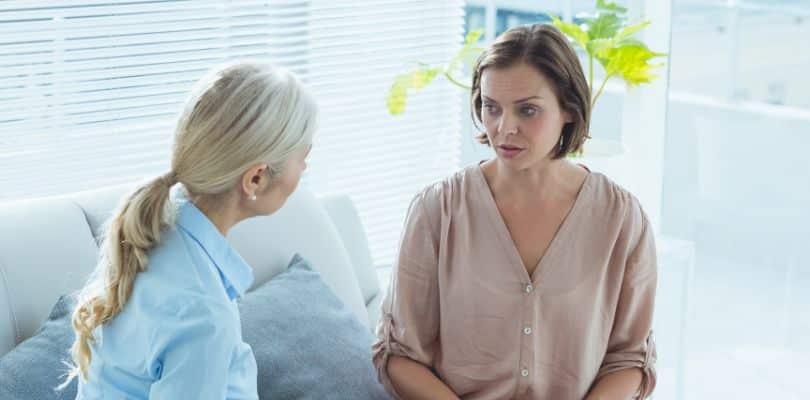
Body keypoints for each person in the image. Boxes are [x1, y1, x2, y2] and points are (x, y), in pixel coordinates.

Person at [372, 24, 657, 400]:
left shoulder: (620, 220)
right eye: (492, 108)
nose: (505, 128)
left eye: (528, 110)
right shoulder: (437, 212)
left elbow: (630, 360)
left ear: (569, 109)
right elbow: (397, 355)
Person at [63, 61, 317, 399]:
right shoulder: (202, 312)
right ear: (255, 178)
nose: (305, 168)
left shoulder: (155, 229)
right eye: (303, 156)